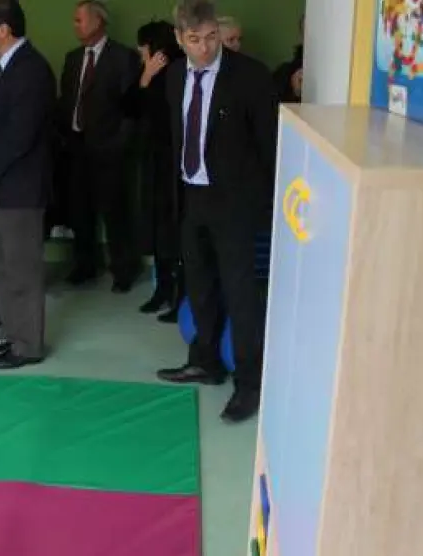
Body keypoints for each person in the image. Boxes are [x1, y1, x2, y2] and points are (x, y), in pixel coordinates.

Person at [156, 0, 277, 424]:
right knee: (200, 285)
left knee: (241, 296)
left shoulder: (251, 76)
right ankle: (205, 361)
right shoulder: (175, 76)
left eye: (211, 37)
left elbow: (269, 147)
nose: (205, 48)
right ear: (179, 38)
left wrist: (259, 205)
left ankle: (249, 384)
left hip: (236, 205)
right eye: (194, 40)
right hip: (192, 196)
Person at [0, 0, 55, 369]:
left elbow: (20, 134)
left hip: (20, 187)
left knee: (21, 270)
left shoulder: (31, 70)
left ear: (3, 30)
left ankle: (27, 345)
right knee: (2, 266)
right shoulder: (3, 67)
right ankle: (11, 330)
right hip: (0, 186)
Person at [59, 0, 141, 293]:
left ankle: (123, 270)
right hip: (77, 147)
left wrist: (119, 144)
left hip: (110, 149)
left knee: (115, 212)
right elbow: (66, 101)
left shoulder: (123, 57)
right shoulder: (72, 59)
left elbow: (132, 107)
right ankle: (85, 265)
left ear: (98, 21)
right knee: (80, 211)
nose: (75, 25)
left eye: (79, 19)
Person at [131, 20, 186, 322]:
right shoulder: (149, 74)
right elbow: (128, 106)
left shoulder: (178, 74)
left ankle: (178, 298)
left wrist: (148, 79)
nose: (140, 52)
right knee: (157, 231)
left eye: (143, 46)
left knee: (172, 233)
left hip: (173, 167)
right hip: (153, 164)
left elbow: (159, 115)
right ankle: (163, 290)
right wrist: (145, 77)